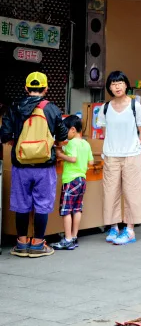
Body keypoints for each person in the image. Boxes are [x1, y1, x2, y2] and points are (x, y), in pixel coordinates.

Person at [0, 72, 68, 258]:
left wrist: (20, 145)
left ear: (26, 88)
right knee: (42, 204)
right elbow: (63, 137)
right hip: (44, 166)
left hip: (21, 165)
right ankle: (38, 244)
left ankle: (21, 243)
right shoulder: (51, 109)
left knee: (22, 204)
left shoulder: (14, 107)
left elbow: (4, 135)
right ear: (46, 89)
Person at [98, 71, 141, 245]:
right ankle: (113, 227)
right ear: (109, 87)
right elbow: (104, 132)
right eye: (113, 83)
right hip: (111, 155)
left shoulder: (135, 105)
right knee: (110, 192)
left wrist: (138, 148)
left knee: (132, 192)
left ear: (126, 85)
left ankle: (129, 230)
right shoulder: (105, 108)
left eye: (120, 82)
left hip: (131, 155)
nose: (117, 86)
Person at [51, 115, 94, 250]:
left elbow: (73, 158)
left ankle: (67, 239)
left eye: (66, 130)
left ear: (73, 129)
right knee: (77, 209)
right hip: (82, 180)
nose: (64, 134)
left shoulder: (72, 143)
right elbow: (91, 162)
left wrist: (60, 154)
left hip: (70, 180)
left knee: (66, 210)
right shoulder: (86, 144)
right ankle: (74, 237)